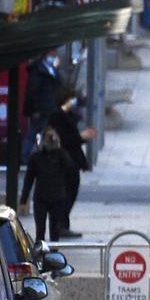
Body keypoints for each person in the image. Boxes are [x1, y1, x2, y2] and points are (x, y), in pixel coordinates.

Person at [46, 89, 96, 238]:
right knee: (67, 193)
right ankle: (61, 225)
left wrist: (81, 137)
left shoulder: (66, 115)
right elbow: (66, 139)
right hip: (66, 161)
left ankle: (63, 224)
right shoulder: (57, 115)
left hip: (71, 160)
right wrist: (82, 137)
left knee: (70, 192)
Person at [20, 127, 74, 243]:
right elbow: (29, 178)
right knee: (40, 230)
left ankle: (54, 255)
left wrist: (59, 148)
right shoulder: (36, 157)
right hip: (41, 198)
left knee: (55, 230)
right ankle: (41, 254)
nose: (50, 141)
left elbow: (70, 168)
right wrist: (23, 199)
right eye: (48, 138)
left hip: (57, 197)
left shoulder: (60, 156)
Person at [22, 49, 62, 161]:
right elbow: (32, 91)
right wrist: (34, 109)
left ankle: (44, 156)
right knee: (33, 133)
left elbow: (58, 84)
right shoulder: (38, 70)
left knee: (46, 133)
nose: (55, 56)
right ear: (46, 54)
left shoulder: (51, 69)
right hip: (40, 109)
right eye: (53, 53)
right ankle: (25, 157)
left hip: (50, 108)